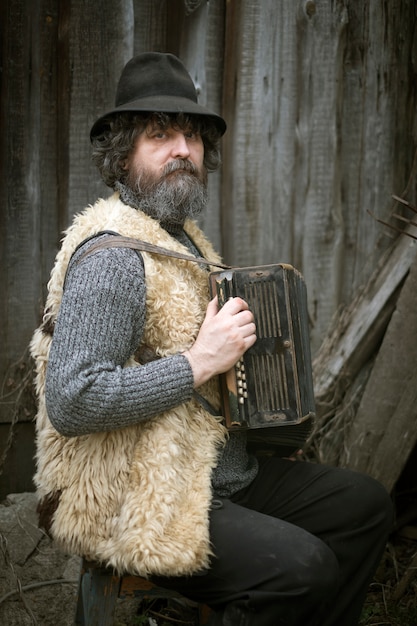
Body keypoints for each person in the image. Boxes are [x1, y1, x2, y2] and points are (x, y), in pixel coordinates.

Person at [31, 52, 392, 626]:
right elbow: (73, 400)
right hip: (145, 494)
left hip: (217, 471)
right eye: (160, 135)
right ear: (123, 157)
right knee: (305, 569)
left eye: (192, 136)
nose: (183, 148)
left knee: (365, 507)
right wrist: (198, 363)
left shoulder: (183, 242)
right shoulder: (112, 260)